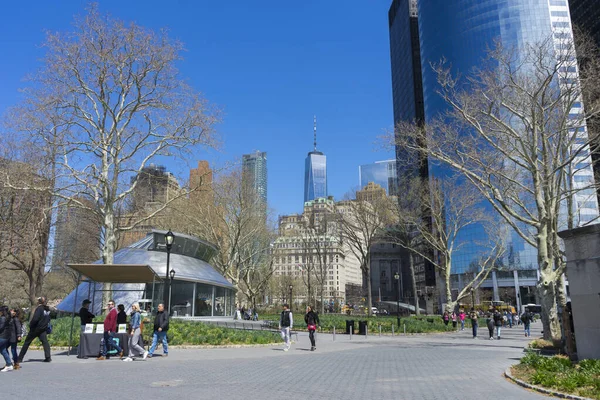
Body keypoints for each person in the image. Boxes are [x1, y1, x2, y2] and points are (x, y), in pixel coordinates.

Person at [18, 296, 52, 363]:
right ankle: (48, 357)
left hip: (35, 329)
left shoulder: (39, 309)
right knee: (45, 343)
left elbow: (35, 319)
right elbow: (48, 319)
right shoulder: (47, 309)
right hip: (43, 329)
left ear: (39, 301)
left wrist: (31, 325)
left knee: (27, 343)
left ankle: (20, 358)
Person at [0, 306, 13, 372]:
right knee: (3, 350)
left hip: (2, 336)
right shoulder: (8, 317)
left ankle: (9, 365)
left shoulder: (3, 318)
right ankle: (9, 365)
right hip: (6, 336)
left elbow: (1, 327)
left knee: (3, 350)